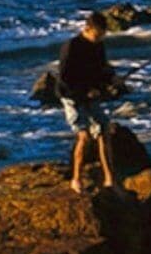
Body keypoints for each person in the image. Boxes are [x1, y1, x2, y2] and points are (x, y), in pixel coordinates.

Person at [53, 10, 125, 191]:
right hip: (71, 97)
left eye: (102, 35)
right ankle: (76, 180)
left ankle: (109, 178)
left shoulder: (98, 46)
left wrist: (112, 79)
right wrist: (85, 93)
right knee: (83, 136)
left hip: (89, 94)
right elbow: (65, 79)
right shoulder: (72, 46)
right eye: (97, 34)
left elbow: (101, 69)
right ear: (87, 29)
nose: (100, 38)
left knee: (104, 130)